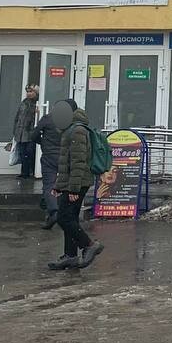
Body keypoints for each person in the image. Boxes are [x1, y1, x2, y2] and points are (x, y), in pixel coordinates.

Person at [49, 98, 103, 271]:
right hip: (71, 182)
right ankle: (70, 256)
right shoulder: (69, 129)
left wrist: (73, 189)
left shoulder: (77, 130)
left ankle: (89, 245)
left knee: (63, 218)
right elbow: (65, 162)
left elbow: (79, 162)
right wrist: (58, 186)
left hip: (77, 183)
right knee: (69, 219)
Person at [32, 107, 62, 229]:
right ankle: (59, 211)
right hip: (64, 157)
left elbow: (34, 135)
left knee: (49, 185)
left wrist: (43, 142)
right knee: (64, 185)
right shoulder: (69, 121)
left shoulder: (47, 119)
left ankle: (53, 212)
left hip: (49, 156)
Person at [7, 85, 39, 180]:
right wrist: (15, 131)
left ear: (36, 93)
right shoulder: (24, 103)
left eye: (31, 91)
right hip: (20, 133)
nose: (29, 93)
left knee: (30, 152)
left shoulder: (37, 103)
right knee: (22, 153)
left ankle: (33, 171)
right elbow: (17, 117)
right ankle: (24, 173)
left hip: (30, 133)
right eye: (27, 91)